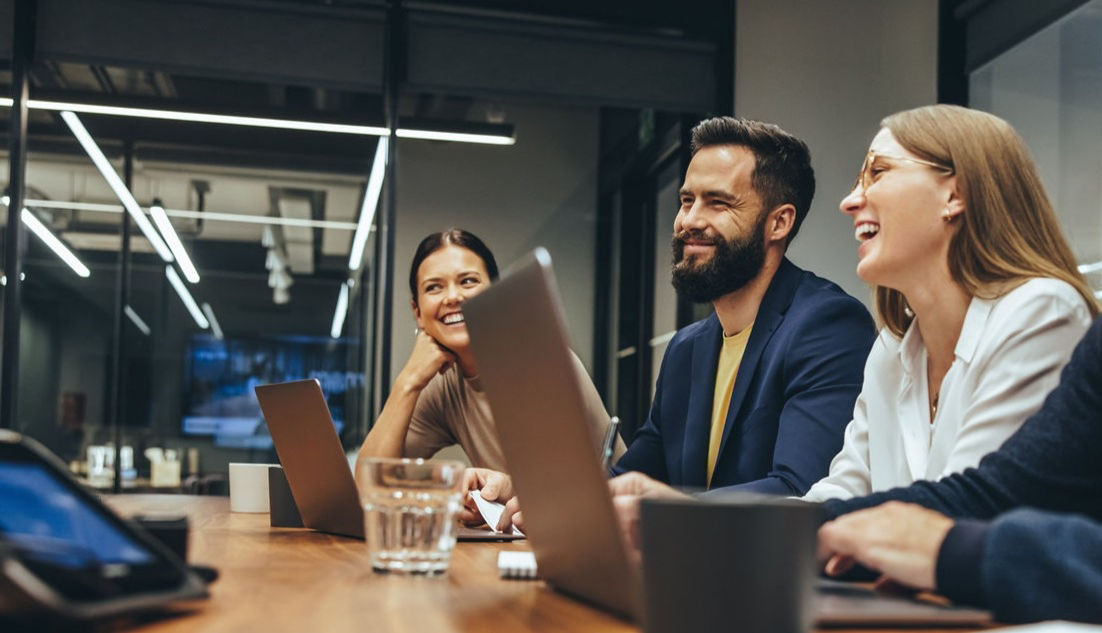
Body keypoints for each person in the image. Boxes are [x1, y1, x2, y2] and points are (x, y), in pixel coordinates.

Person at [801, 104, 1096, 502]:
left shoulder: (1043, 313)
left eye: (878, 171)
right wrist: (723, 529)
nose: (850, 201)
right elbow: (841, 493)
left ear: (954, 195)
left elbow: (963, 509)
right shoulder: (891, 349)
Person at [610, 116, 876, 495]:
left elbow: (798, 489)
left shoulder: (828, 325)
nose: (689, 220)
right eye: (686, 201)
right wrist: (549, 499)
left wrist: (675, 511)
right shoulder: (685, 349)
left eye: (718, 203)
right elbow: (634, 477)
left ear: (779, 223)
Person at [817, 314, 1102, 624]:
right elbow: (995, 493)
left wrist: (953, 551)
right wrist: (792, 531)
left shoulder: (1042, 312)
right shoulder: (891, 345)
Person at [356, 229, 621, 519]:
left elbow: (564, 497)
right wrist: (408, 383)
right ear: (417, 312)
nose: (453, 297)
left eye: (468, 281)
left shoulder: (537, 361)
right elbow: (368, 489)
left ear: (493, 293)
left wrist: (491, 501)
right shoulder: (442, 382)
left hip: (607, 532)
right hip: (524, 541)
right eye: (434, 287)